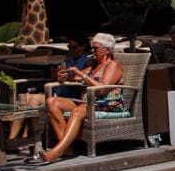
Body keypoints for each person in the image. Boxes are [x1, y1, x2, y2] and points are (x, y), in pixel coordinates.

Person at [42, 33, 125, 162]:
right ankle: (66, 148)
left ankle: (56, 151)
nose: (92, 51)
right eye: (92, 48)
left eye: (95, 48)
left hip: (105, 104)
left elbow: (102, 89)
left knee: (78, 111)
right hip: (86, 102)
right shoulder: (92, 65)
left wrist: (81, 74)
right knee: (51, 101)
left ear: (107, 50)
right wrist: (63, 77)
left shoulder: (113, 65)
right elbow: (75, 78)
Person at [9, 35, 90, 141]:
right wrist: (57, 75)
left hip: (70, 96)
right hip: (57, 91)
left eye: (73, 47)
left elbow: (84, 76)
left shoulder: (89, 60)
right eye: (69, 47)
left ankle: (32, 139)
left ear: (83, 46)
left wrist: (68, 77)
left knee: (33, 100)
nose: (70, 50)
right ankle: (15, 138)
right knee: (25, 98)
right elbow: (59, 75)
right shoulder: (69, 58)